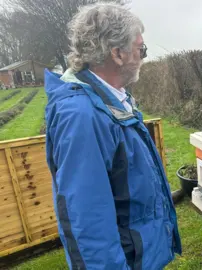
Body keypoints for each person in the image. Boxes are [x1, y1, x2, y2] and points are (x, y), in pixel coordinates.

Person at [43, 3, 181, 269]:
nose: (143, 56)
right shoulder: (82, 115)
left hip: (140, 256)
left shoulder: (111, 100)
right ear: (118, 53)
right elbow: (88, 221)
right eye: (141, 49)